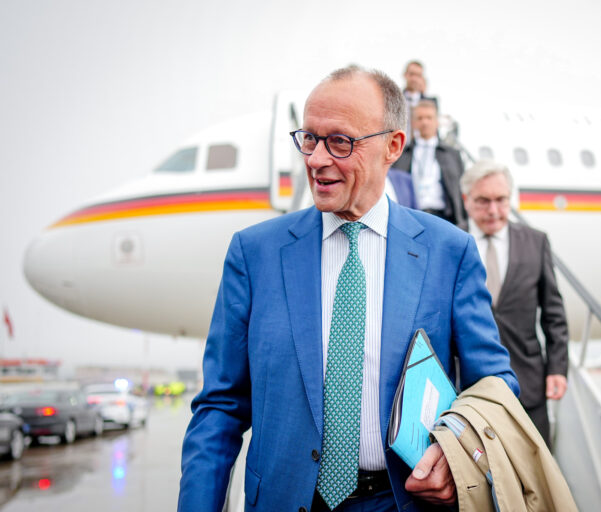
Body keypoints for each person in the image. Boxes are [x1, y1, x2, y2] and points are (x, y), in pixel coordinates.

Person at [178, 66, 519, 512]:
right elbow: (220, 407)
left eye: (340, 142)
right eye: (309, 139)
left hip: (404, 503)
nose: (316, 159)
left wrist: (455, 449)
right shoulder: (254, 254)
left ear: (393, 146)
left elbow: (494, 385)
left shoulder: (448, 252)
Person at [460, 160, 569, 445]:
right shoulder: (450, 241)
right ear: (466, 199)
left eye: (501, 200)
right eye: (483, 201)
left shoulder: (536, 242)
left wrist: (557, 368)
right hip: (467, 388)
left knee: (535, 465)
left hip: (528, 381)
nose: (493, 210)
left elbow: (553, 313)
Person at [392, 100, 466, 226]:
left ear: (437, 121)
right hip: (411, 217)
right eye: (420, 118)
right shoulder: (402, 154)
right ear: (413, 123)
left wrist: (463, 221)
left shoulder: (452, 154)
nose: (425, 122)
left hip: (444, 218)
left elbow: (461, 190)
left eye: (429, 118)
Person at [401, 60, 438, 143]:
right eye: (412, 74)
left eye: (418, 75)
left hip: (421, 147)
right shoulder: (396, 100)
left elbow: (435, 129)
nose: (414, 79)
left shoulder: (431, 102)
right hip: (400, 146)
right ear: (405, 75)